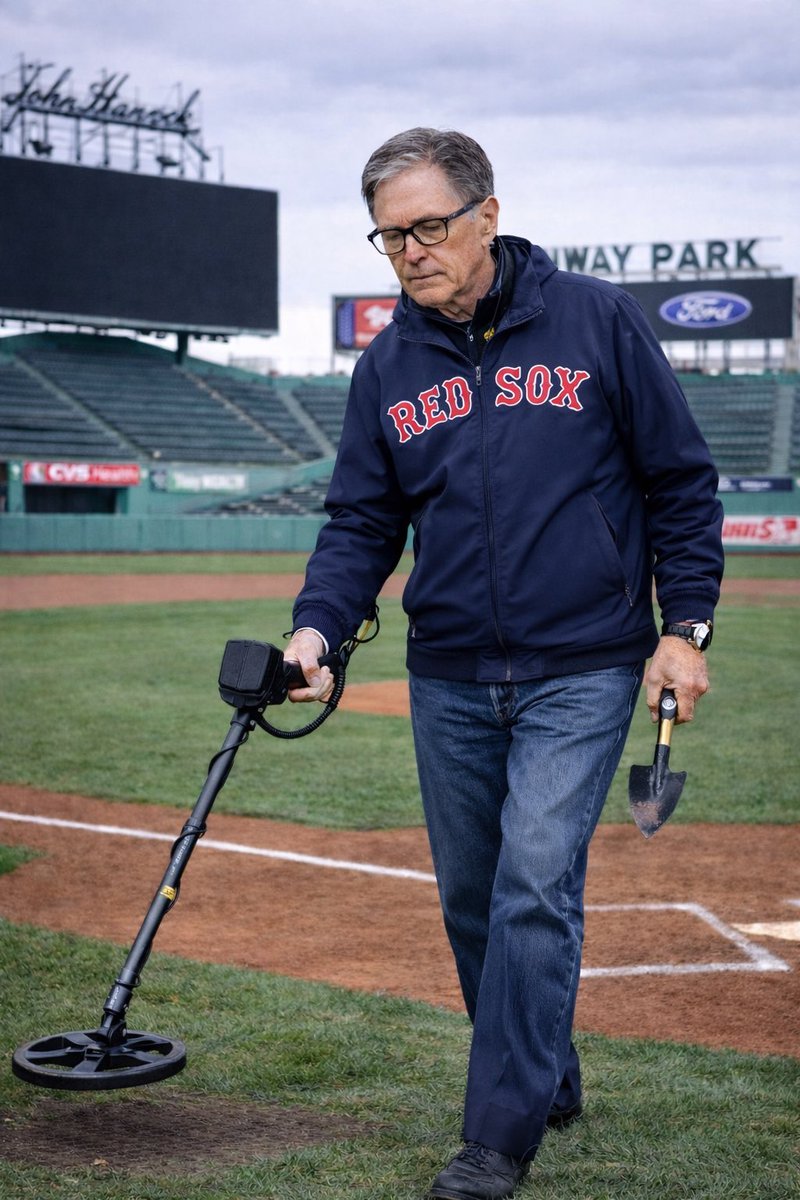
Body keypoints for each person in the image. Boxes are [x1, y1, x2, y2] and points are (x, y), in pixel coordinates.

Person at [284, 127, 723, 1200]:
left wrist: (686, 626)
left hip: (584, 660)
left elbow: (677, 480)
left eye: (427, 226)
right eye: (389, 237)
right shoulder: (386, 366)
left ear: (486, 213)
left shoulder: (594, 322)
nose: (409, 252)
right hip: (447, 673)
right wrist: (316, 633)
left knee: (534, 877)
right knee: (474, 899)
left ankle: (496, 1138)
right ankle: (544, 1071)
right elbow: (358, 521)